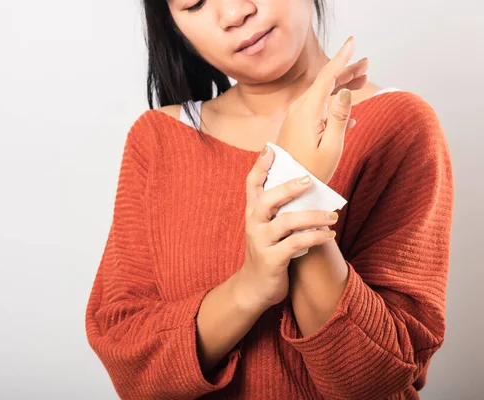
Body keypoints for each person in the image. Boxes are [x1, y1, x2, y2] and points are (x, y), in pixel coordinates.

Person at [85, 0, 454, 398]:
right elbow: (130, 365)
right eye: (192, 2)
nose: (233, 14)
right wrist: (250, 288)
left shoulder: (399, 124)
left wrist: (299, 186)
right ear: (174, 27)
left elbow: (377, 379)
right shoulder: (158, 139)